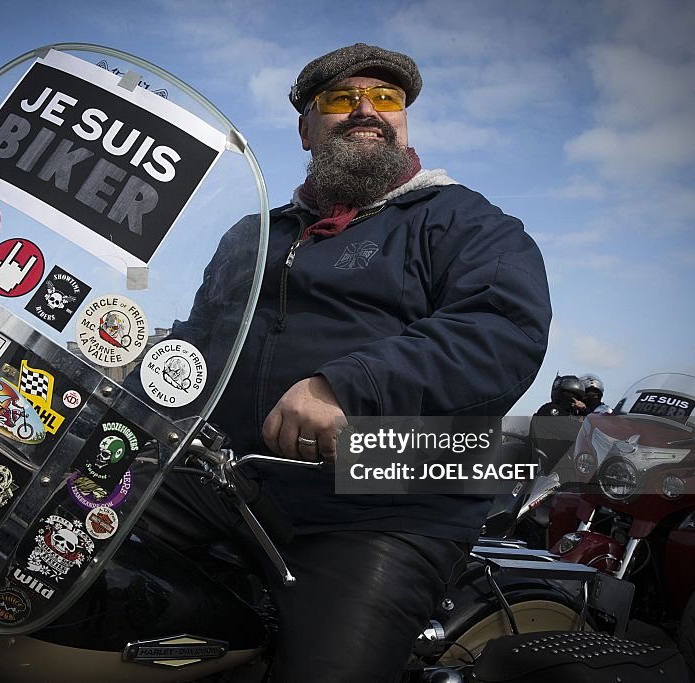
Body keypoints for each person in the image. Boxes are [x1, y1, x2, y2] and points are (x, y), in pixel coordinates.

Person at [141, 43, 551, 682]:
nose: (366, 110)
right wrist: (130, 367)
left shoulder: (465, 221)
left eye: (386, 99)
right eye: (339, 99)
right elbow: (197, 342)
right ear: (306, 128)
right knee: (57, 561)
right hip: (220, 480)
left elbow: (500, 331)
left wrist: (347, 386)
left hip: (379, 506)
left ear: (404, 120)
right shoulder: (254, 234)